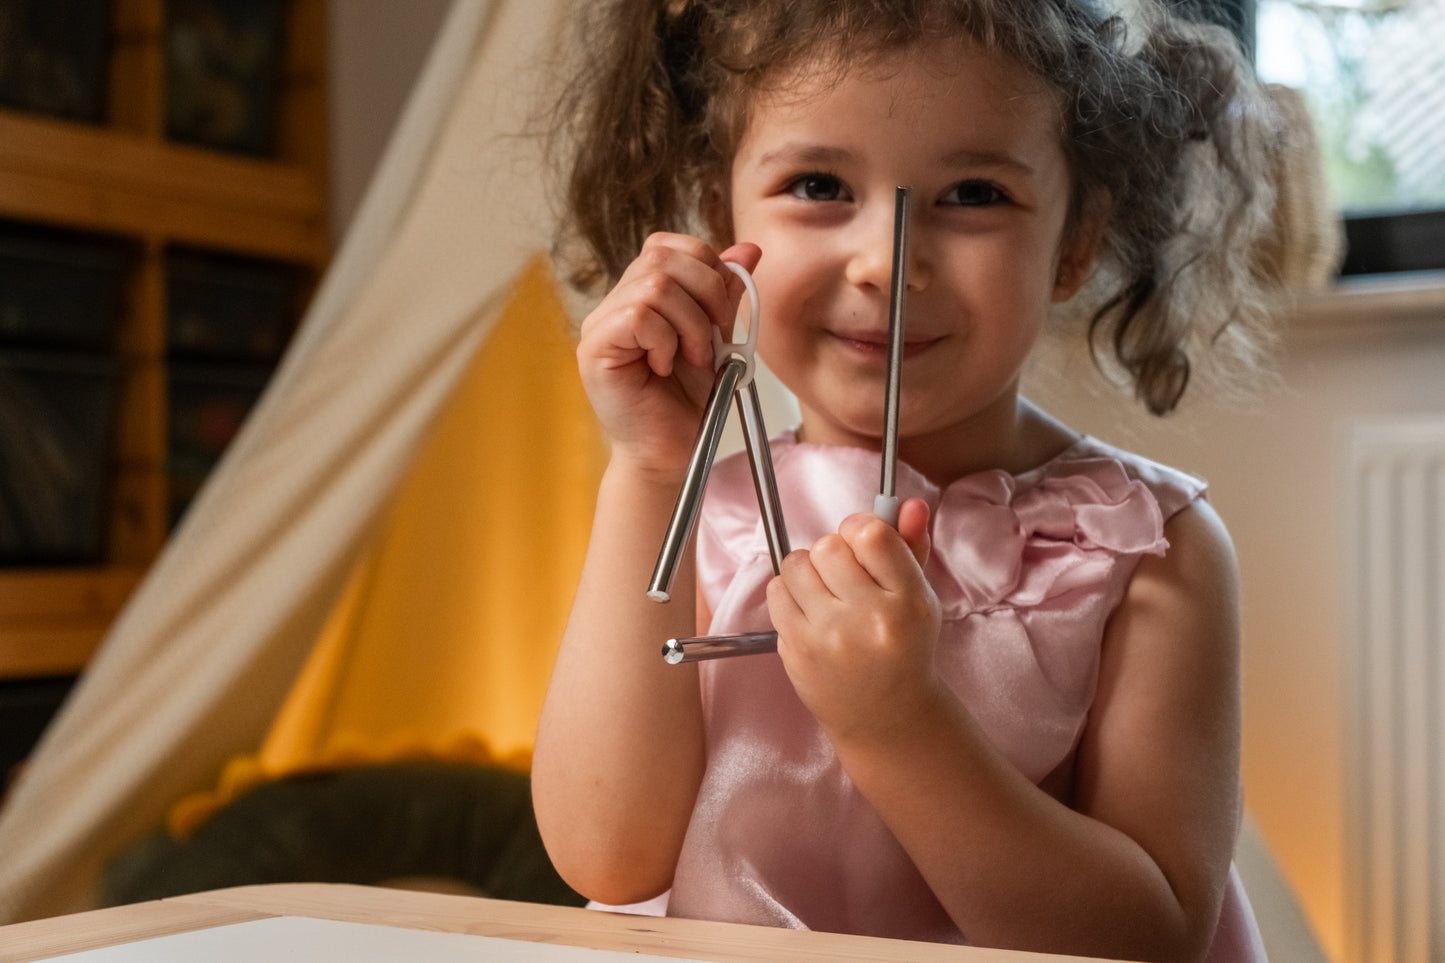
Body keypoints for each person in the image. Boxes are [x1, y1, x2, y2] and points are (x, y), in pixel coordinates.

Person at [532, 1, 1282, 959]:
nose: (888, 262)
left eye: (973, 193)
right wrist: (648, 468)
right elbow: (607, 855)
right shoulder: (694, 507)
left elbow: (1152, 934)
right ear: (725, 217)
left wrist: (898, 724)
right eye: (816, 183)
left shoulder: (1146, 547)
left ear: (1075, 239)